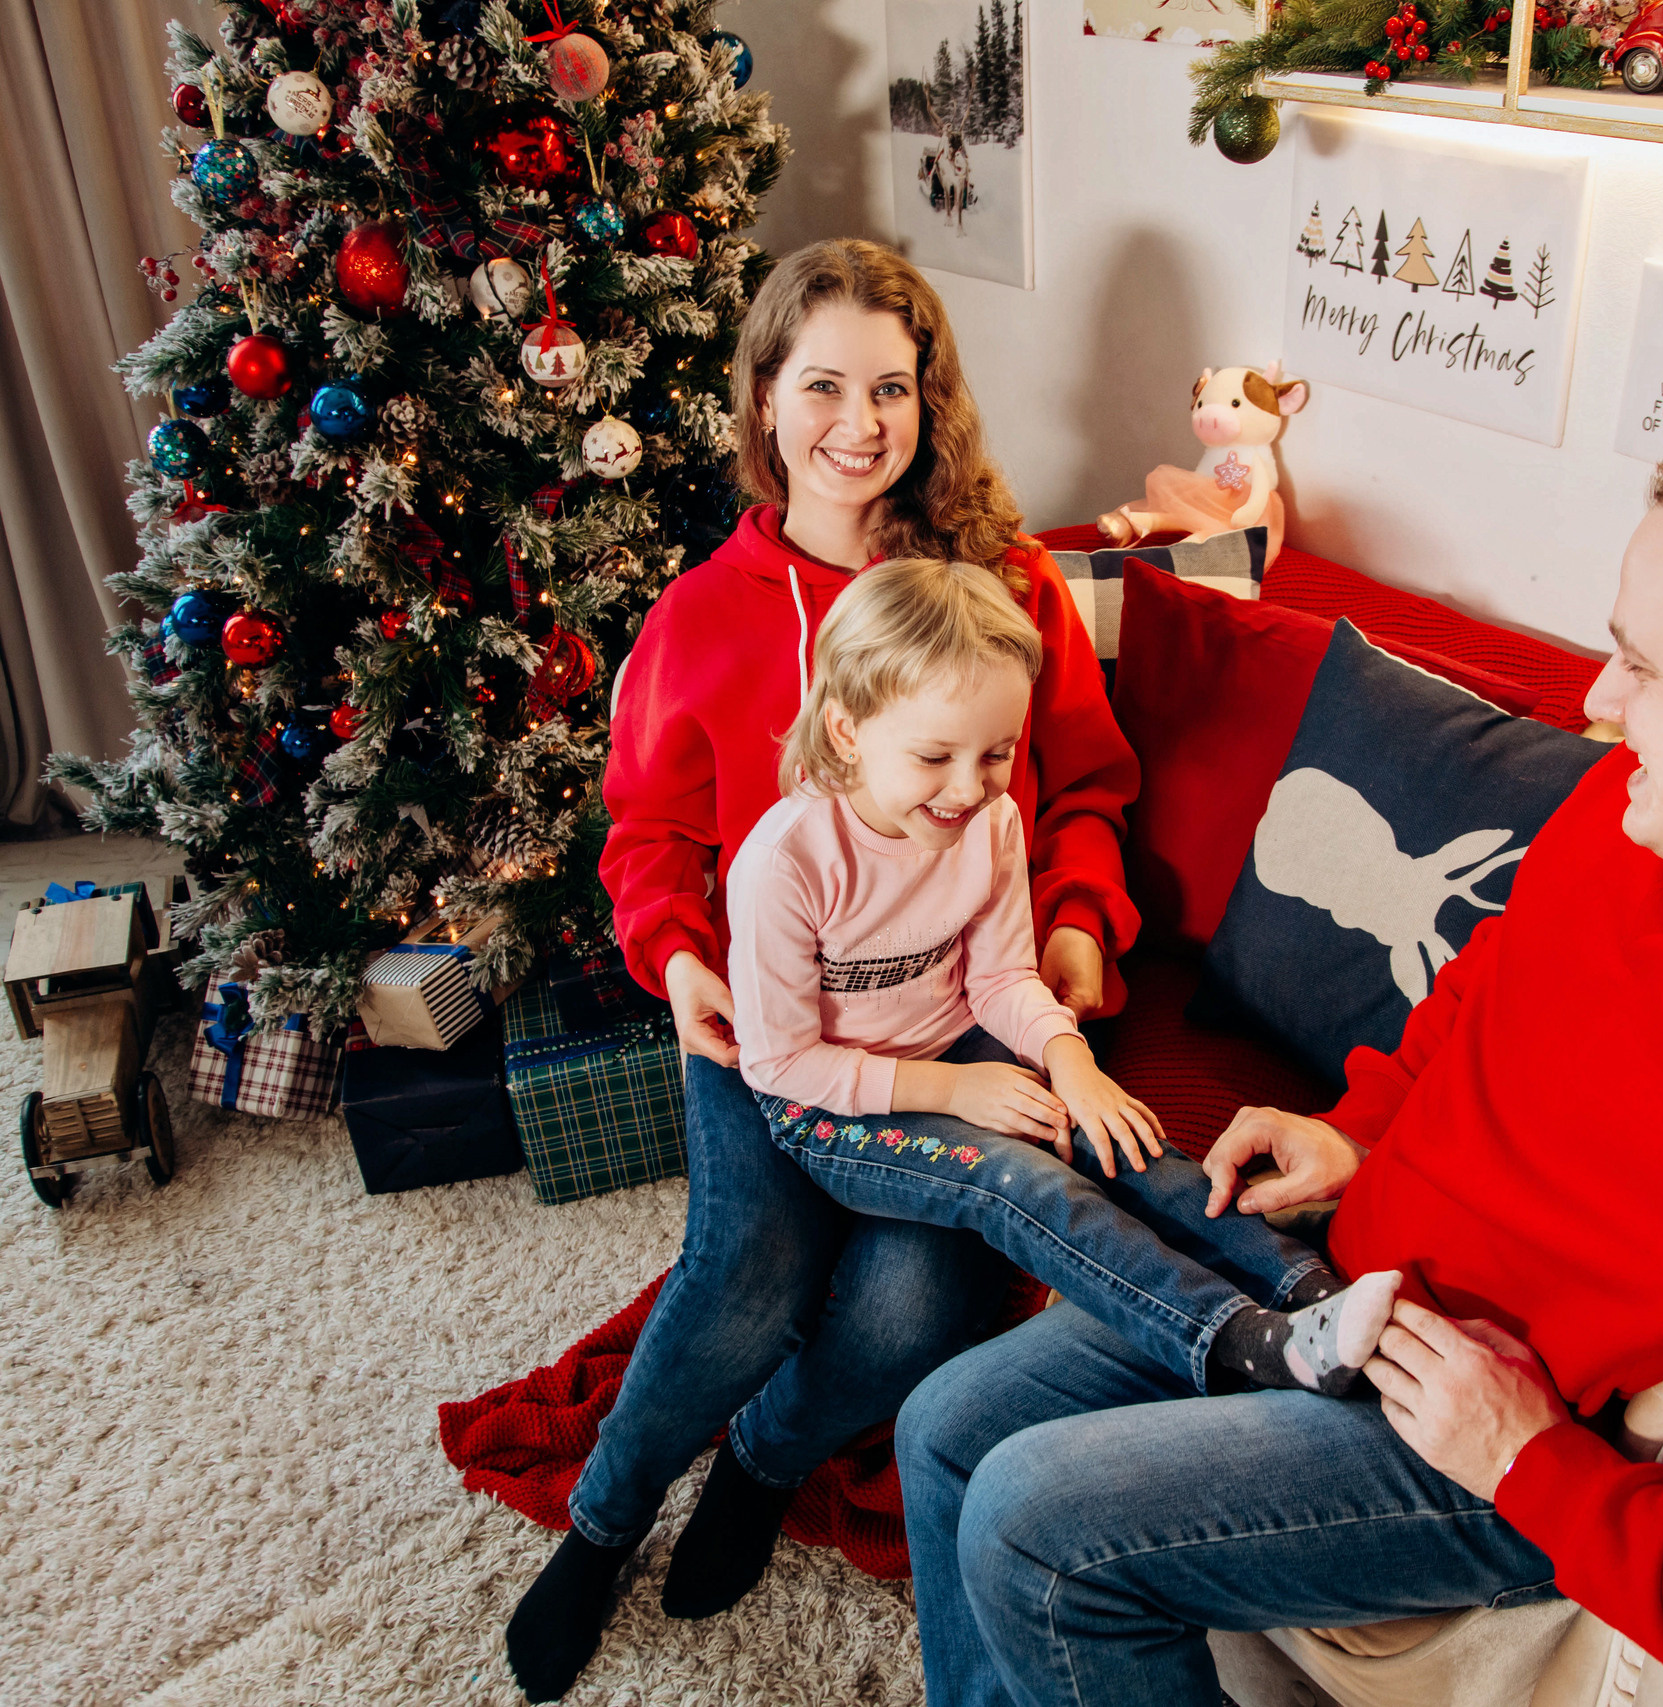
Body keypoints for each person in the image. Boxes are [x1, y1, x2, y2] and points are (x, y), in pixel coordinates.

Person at [895, 425, 1663, 1707]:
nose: (1597, 700)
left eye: (1643, 665)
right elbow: (1488, 987)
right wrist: (1365, 1123)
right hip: (1347, 1279)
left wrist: (1529, 1464)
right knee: (945, 1425)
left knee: (1036, 1523)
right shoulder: (1635, 816)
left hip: (1469, 1434)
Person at [503, 238, 1142, 1702]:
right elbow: (649, 829)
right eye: (826, 385)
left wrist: (1076, 926)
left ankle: (764, 1454)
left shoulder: (1008, 586)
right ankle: (605, 1523)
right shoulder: (703, 615)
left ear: (933, 402)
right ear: (766, 399)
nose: (861, 423)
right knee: (750, 1264)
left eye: (895, 388)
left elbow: (1093, 784)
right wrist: (675, 960)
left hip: (968, 989)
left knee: (912, 1310)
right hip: (767, 1012)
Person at [731, 555, 1401, 1400]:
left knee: (1131, 1145)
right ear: (846, 731)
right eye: (935, 755)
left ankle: (1310, 1289)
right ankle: (1243, 1342)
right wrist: (954, 1089)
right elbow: (778, 1063)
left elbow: (1004, 976)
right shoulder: (785, 863)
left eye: (997, 753)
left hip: (959, 1043)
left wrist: (1071, 1060)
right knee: (1027, 1180)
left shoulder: (995, 820)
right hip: (829, 1104)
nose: (969, 787)